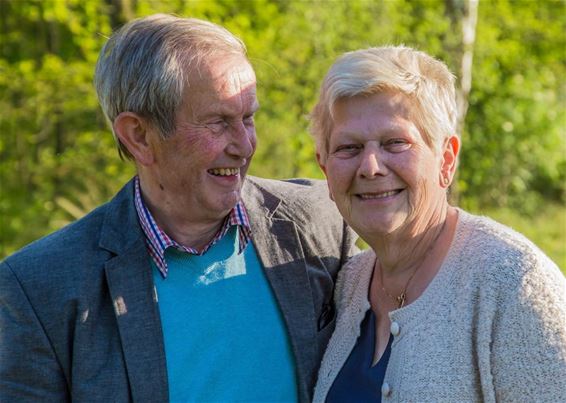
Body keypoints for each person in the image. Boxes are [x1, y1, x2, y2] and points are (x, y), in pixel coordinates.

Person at [0, 14, 358, 403]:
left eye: (248, 118)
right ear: (139, 136)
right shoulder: (39, 288)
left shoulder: (322, 219)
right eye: (218, 122)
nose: (244, 145)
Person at [309, 45, 566, 402]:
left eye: (394, 143)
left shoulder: (512, 282)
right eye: (348, 148)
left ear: (446, 159)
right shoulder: (349, 284)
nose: (370, 166)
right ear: (325, 168)